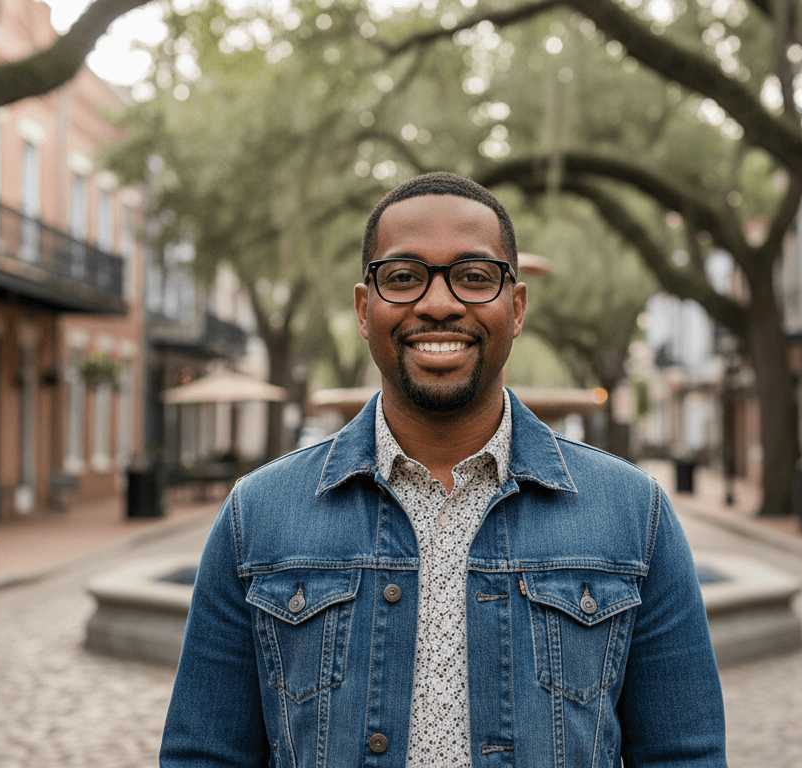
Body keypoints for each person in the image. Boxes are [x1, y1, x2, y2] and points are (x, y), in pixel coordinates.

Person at [160, 172, 726, 767]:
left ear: (517, 308)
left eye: (474, 277)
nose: (438, 303)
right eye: (402, 277)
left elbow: (682, 755)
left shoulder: (636, 515)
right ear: (363, 307)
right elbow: (205, 755)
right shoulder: (258, 515)